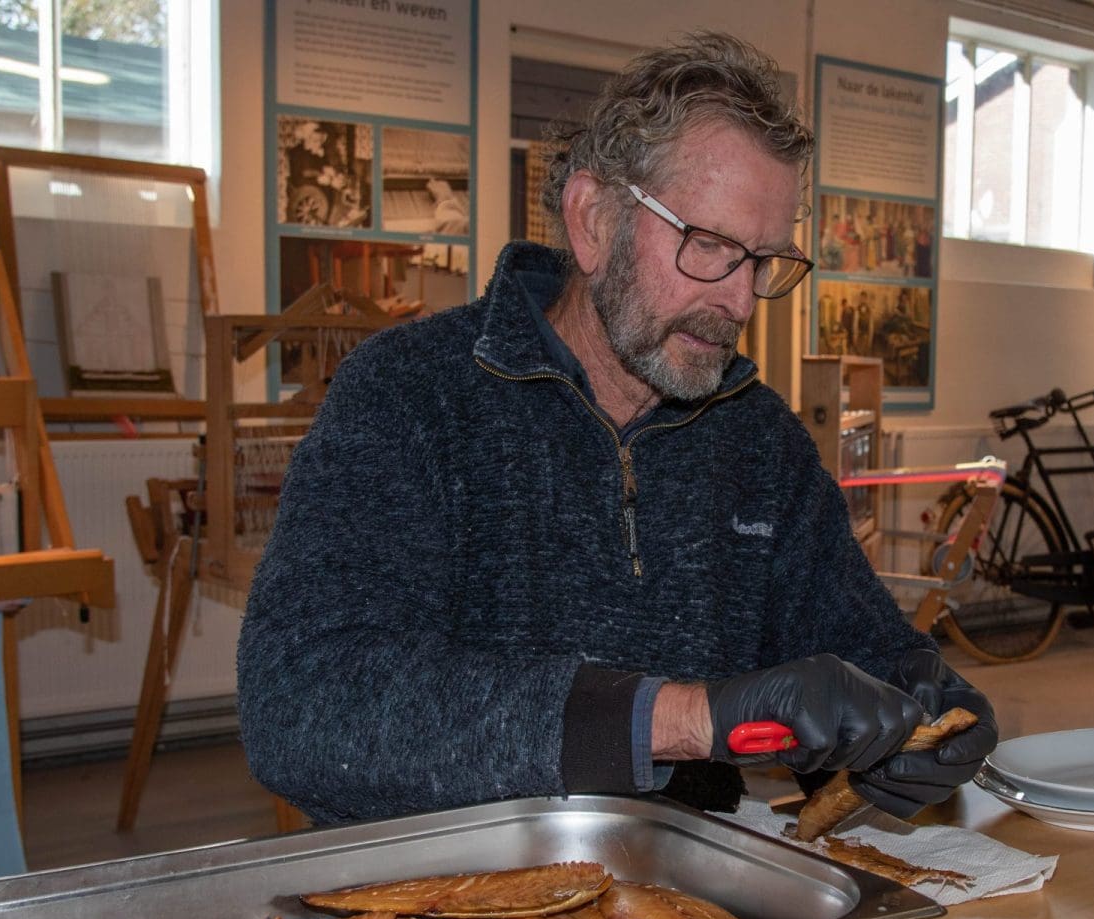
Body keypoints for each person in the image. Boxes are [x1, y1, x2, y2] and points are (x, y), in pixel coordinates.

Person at [237, 32, 997, 826]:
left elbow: (847, 645)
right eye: (709, 245)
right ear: (594, 220)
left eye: (764, 261)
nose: (739, 302)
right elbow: (303, 702)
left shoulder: (759, 442)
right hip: (442, 886)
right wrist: (682, 720)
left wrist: (916, 699)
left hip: (684, 881)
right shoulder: (409, 395)